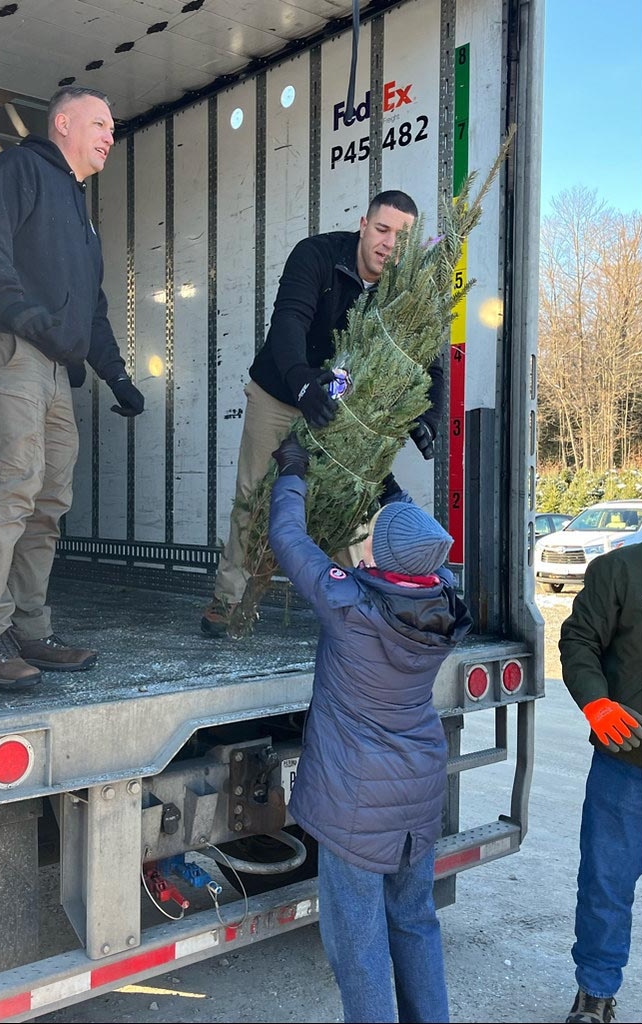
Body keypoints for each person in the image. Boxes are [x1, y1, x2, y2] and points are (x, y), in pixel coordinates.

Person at [267, 433, 472, 1024]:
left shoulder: (351, 606)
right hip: (416, 795)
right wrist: (387, 488)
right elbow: (422, 546)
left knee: (358, 947)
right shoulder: (446, 602)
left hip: (358, 807)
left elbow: (288, 539)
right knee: (414, 920)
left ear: (375, 559)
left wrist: (293, 473)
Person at [0, 86, 145, 690]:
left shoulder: (81, 212)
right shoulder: (16, 171)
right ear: (63, 122)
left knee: (49, 499)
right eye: (101, 122)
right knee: (14, 486)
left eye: (112, 127)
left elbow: (93, 306)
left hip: (56, 366)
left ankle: (31, 626)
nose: (111, 135)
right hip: (5, 345)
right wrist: (21, 312)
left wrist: (117, 374)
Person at [201, 190, 445, 636]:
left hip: (345, 411)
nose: (389, 244)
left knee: (351, 505)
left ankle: (360, 609)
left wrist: (429, 417)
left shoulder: (407, 288)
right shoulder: (316, 255)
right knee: (254, 496)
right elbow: (288, 320)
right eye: (382, 229)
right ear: (363, 225)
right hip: (280, 391)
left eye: (401, 237)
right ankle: (230, 599)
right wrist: (301, 381)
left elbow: (429, 359)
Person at [558, 541, 642, 1024]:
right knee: (605, 885)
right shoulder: (622, 569)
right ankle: (595, 994)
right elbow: (579, 640)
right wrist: (595, 701)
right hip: (630, 767)